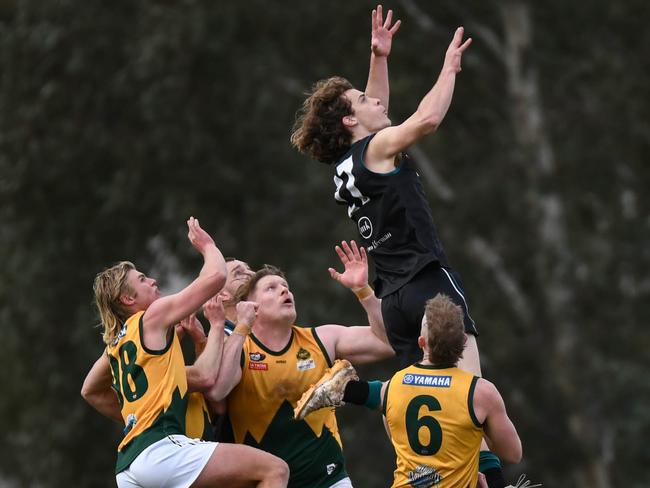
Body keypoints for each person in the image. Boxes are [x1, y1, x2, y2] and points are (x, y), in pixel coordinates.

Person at [290, 6, 514, 486]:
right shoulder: (377, 148)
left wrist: (380, 57)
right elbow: (428, 118)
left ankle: (356, 392)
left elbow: (376, 112)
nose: (374, 99)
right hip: (429, 283)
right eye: (361, 99)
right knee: (468, 401)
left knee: (427, 398)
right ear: (351, 119)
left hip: (393, 301)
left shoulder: (347, 167)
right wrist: (448, 70)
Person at [86, 217, 289, 488]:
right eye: (143, 279)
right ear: (128, 299)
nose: (154, 281)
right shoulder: (152, 317)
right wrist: (207, 246)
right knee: (275, 470)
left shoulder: (116, 345)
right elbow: (216, 277)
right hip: (162, 449)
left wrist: (135, 419)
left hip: (129, 465)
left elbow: (90, 390)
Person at [209, 240, 394, 488]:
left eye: (285, 286)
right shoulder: (238, 346)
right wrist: (242, 327)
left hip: (329, 480)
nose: (285, 291)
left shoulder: (321, 338)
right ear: (251, 306)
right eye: (271, 289)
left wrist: (363, 291)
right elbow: (218, 389)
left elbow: (386, 343)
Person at [300, 294, 523, 488]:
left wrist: (344, 389)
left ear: (421, 342)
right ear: (464, 341)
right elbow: (513, 453)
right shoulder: (480, 393)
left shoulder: (394, 386)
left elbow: (369, 394)